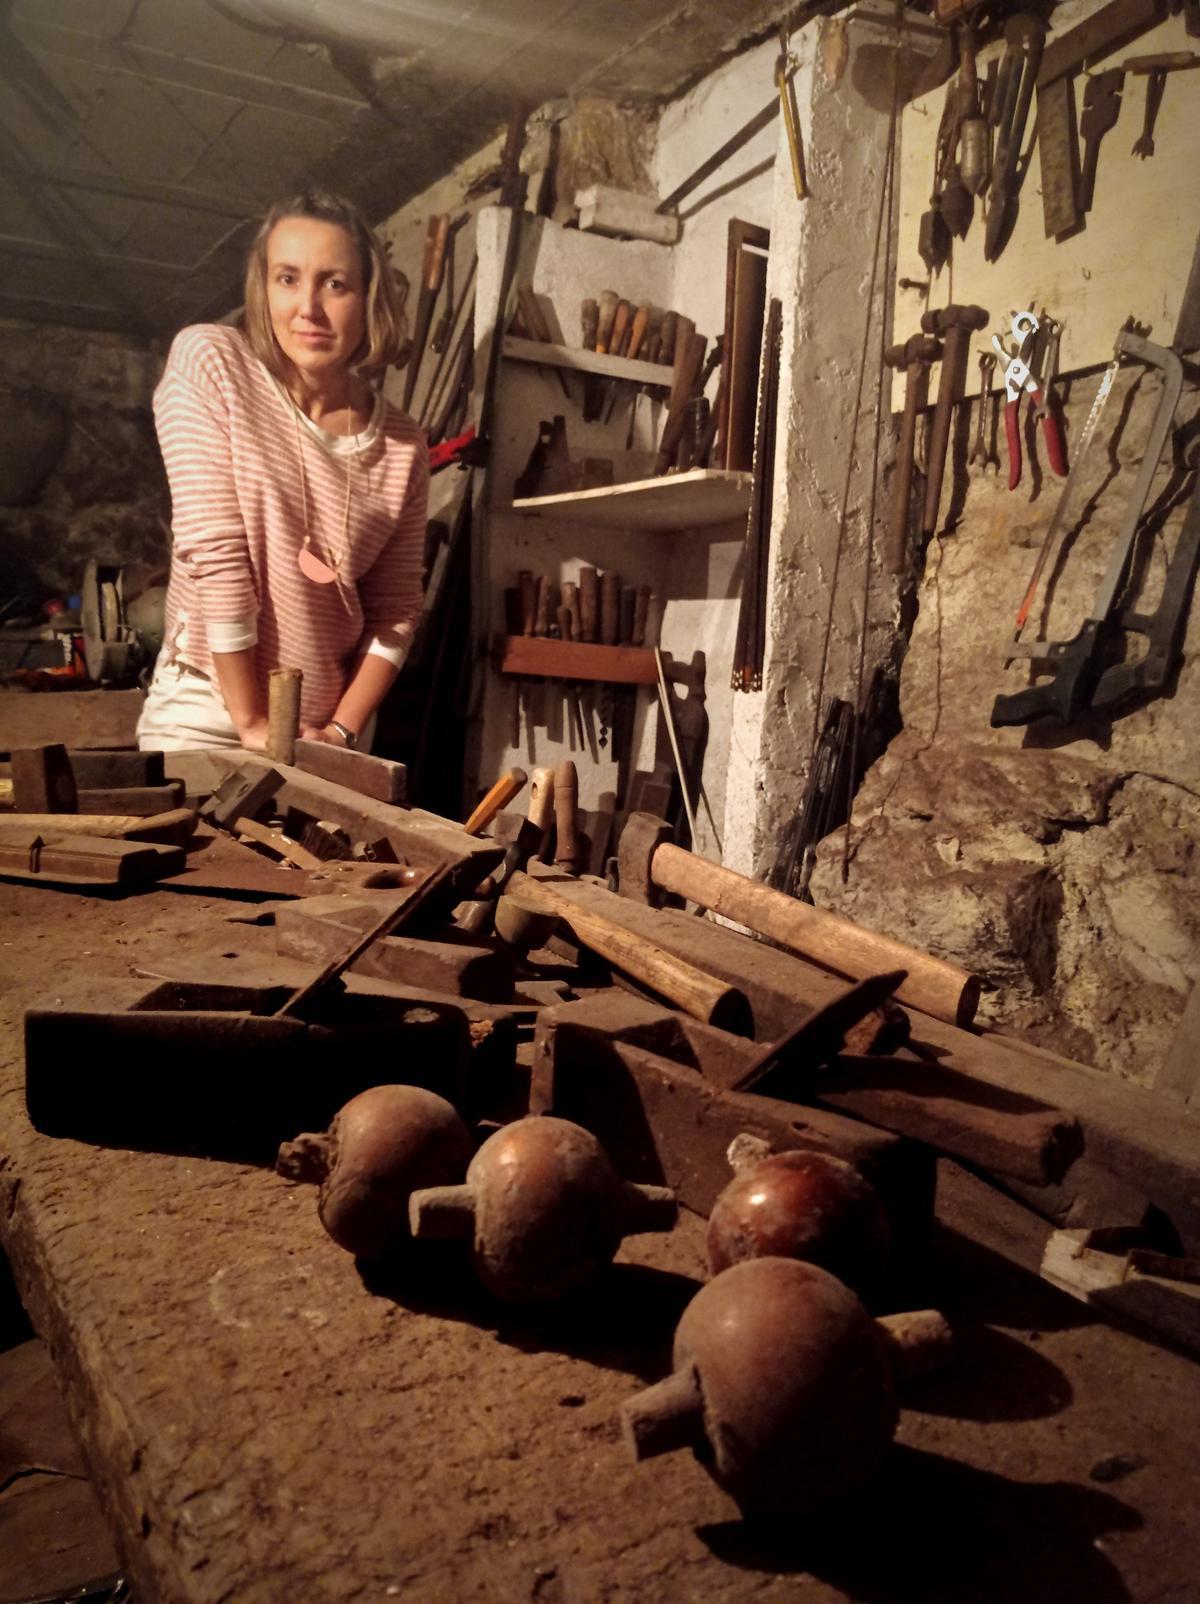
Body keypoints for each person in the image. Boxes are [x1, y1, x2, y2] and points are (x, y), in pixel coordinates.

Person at [136, 190, 427, 754]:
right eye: (288, 279)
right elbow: (216, 553)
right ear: (262, 287)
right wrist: (251, 722)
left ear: (368, 297)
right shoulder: (211, 363)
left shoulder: (401, 444)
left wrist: (342, 732)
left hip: (323, 735)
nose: (308, 309)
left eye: (334, 283)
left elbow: (396, 612)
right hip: (210, 714)